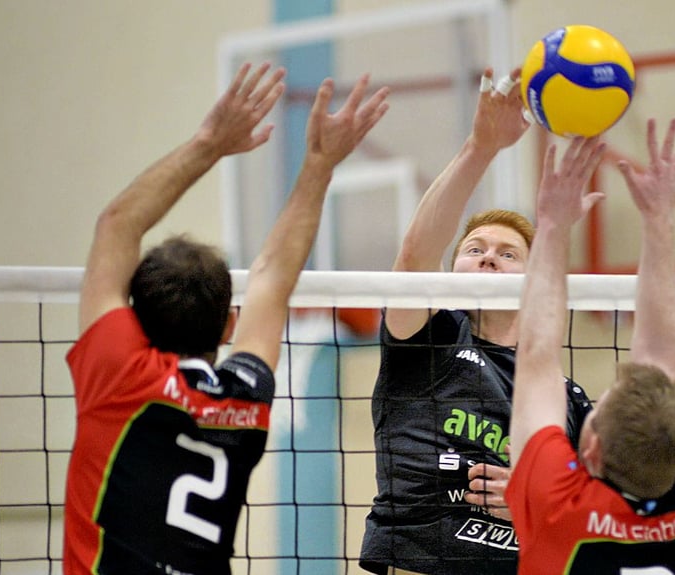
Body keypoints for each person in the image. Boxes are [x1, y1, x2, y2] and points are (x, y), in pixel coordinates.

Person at [63, 62, 389, 574]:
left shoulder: (119, 373)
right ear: (228, 326)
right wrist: (320, 164)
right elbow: (274, 276)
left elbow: (117, 224)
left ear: (134, 319)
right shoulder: (245, 396)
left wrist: (210, 142)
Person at [359, 70, 594, 575]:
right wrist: (482, 146)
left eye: (508, 253)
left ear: (537, 282)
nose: (488, 258)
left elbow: (590, 517)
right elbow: (414, 259)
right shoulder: (431, 339)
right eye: (474, 249)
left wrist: (532, 505)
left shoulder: (566, 396)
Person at [506, 119, 675, 574]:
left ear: (591, 451)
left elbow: (537, 354)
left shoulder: (559, 501)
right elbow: (657, 358)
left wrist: (553, 224)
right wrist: (658, 217)